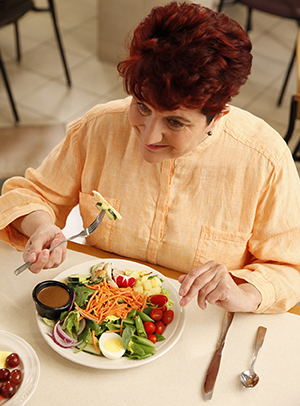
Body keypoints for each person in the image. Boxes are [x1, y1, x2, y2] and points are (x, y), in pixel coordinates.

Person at [1, 1, 300, 314]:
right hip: (101, 313)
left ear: (217, 116)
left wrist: (247, 294)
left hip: (200, 324)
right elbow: (28, 195)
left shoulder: (265, 161)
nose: (147, 136)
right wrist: (40, 225)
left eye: (174, 122)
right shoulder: (99, 128)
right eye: (142, 106)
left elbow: (288, 269)